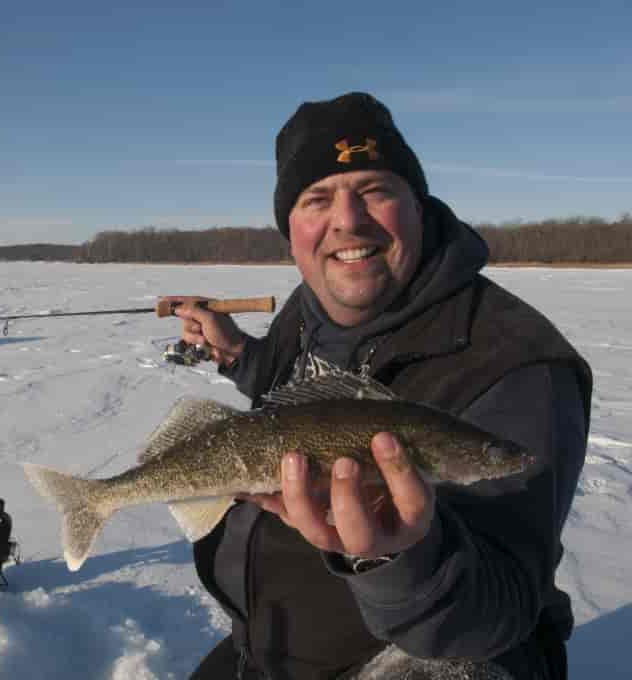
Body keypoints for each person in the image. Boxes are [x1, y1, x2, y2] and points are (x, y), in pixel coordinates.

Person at [167, 92, 592, 680]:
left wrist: (399, 557)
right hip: (270, 643)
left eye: (374, 190)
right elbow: (291, 401)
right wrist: (238, 353)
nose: (347, 220)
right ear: (290, 229)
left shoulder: (517, 365)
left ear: (418, 205)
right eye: (317, 198)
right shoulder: (311, 307)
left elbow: (501, 610)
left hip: (418, 657)